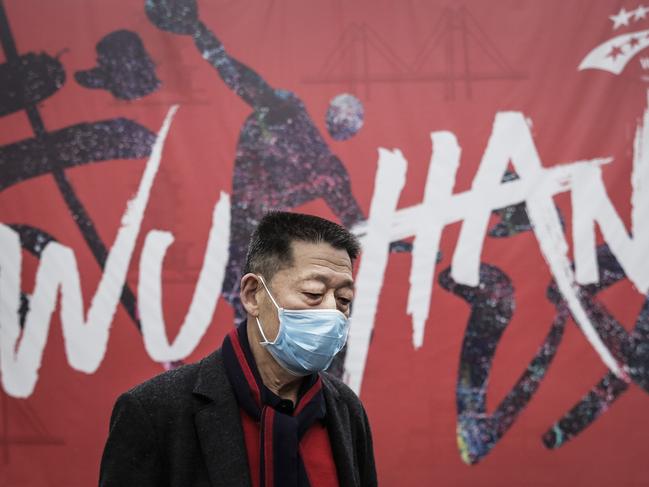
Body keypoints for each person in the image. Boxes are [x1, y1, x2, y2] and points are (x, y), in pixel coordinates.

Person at [99, 211, 377, 487]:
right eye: (313, 293)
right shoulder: (155, 411)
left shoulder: (344, 410)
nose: (332, 311)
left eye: (343, 299)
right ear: (252, 294)